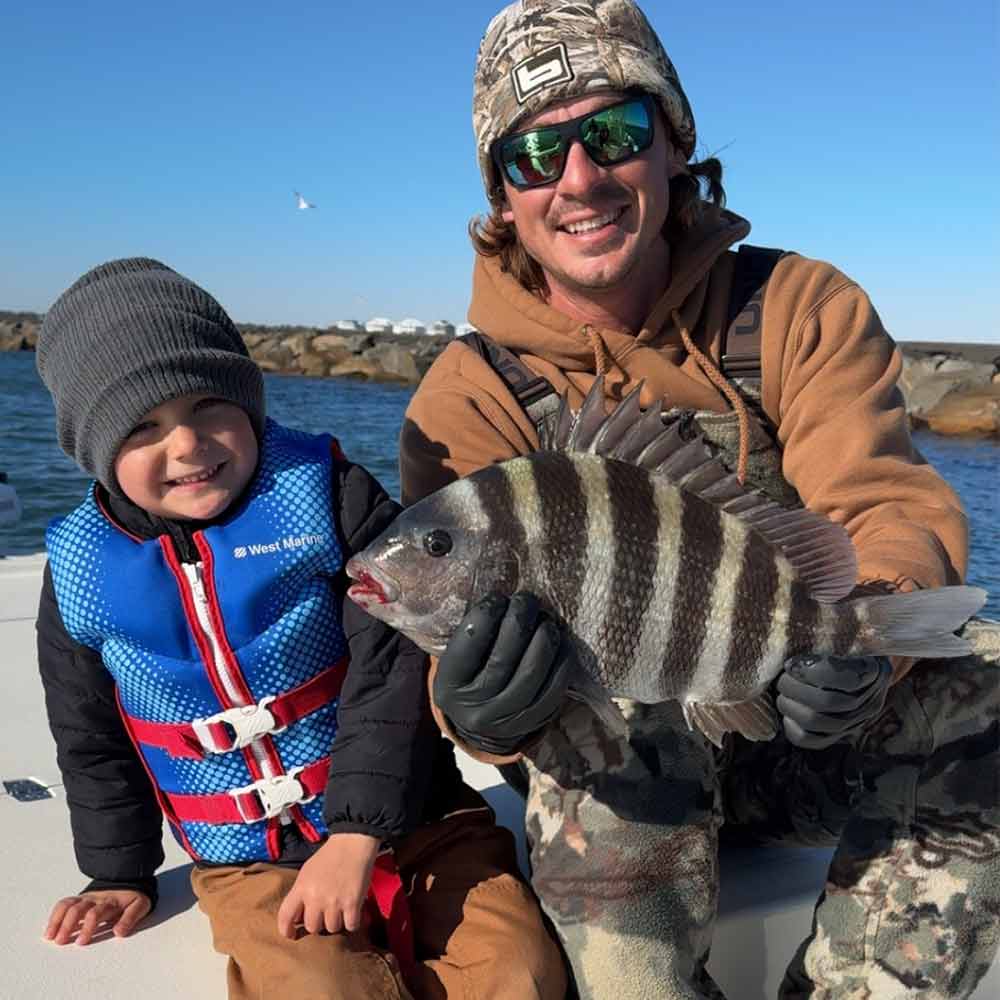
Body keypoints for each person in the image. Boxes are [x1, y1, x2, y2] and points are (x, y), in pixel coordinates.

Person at [399, 2, 1000, 998]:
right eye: (534, 154)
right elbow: (441, 623)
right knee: (589, 710)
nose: (578, 177)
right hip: (617, 778)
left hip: (794, 723)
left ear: (673, 142)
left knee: (989, 679)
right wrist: (470, 711)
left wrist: (868, 647)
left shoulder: (798, 305)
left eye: (614, 130)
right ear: (502, 194)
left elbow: (883, 505)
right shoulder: (468, 394)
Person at [34, 258, 568, 1000]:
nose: (186, 444)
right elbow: (89, 735)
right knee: (321, 989)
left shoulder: (333, 496)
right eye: (142, 426)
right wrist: (116, 872)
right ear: (93, 446)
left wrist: (357, 833)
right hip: (249, 862)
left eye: (208, 404)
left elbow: (392, 669)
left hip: (423, 817)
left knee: (520, 971)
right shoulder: (80, 570)